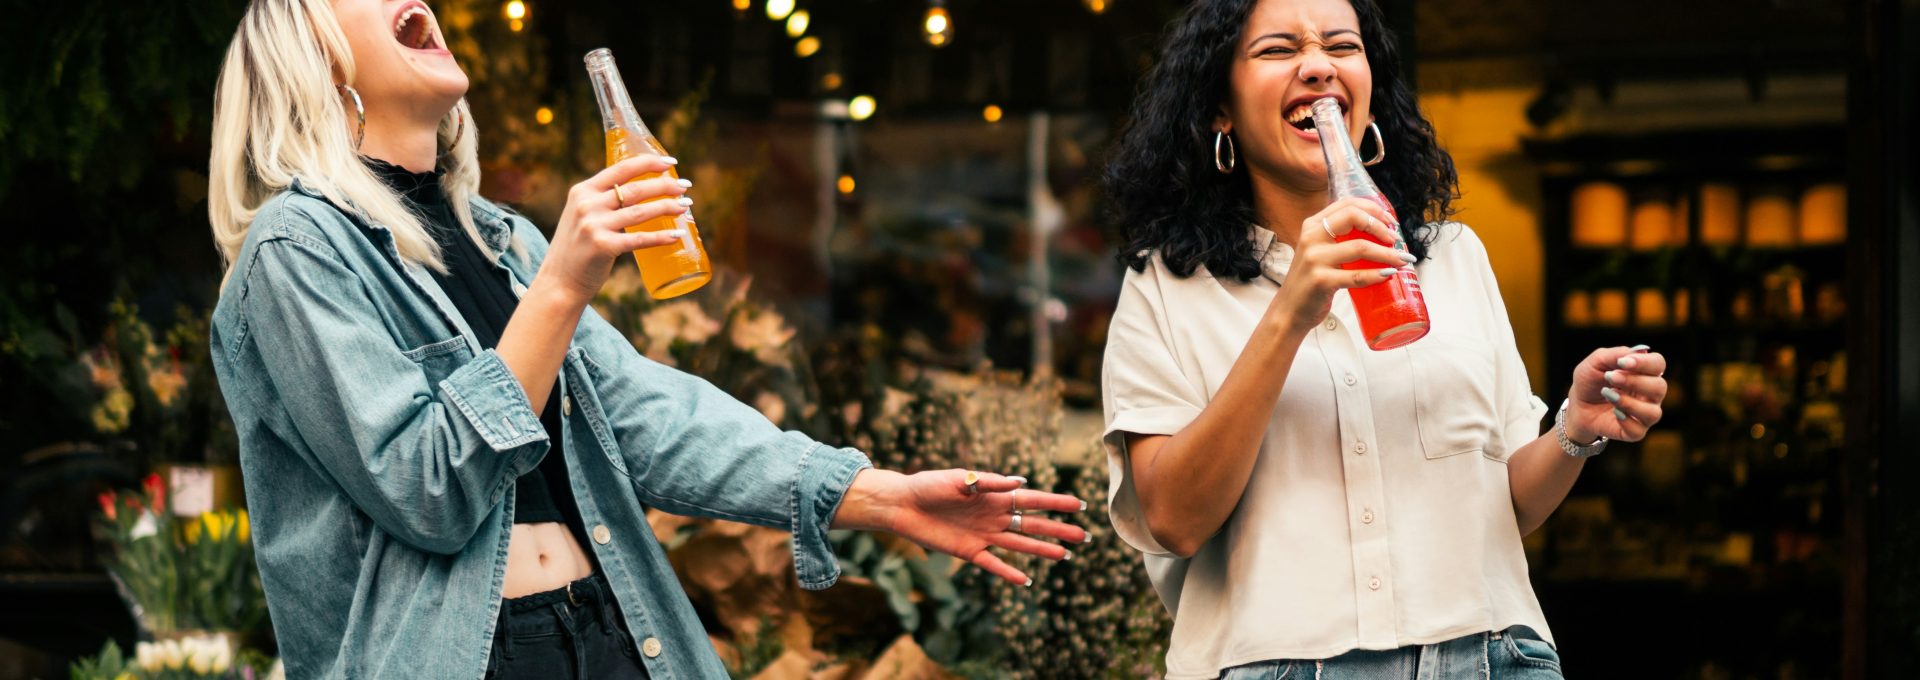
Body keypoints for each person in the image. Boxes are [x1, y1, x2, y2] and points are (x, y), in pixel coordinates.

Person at [203, 1, 1087, 678]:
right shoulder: (296, 250)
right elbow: (424, 488)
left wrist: (871, 495)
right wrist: (563, 286)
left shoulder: (500, 240)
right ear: (313, 50)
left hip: (618, 628)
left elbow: (645, 419)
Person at [1098, 0, 1669, 678]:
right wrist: (1289, 314)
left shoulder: (1454, 259)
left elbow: (1506, 507)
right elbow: (1174, 519)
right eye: (1279, 50)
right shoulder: (1168, 285)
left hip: (1492, 656)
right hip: (1277, 664)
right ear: (1219, 107)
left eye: (1342, 46)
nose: (1318, 67)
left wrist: (1576, 429)